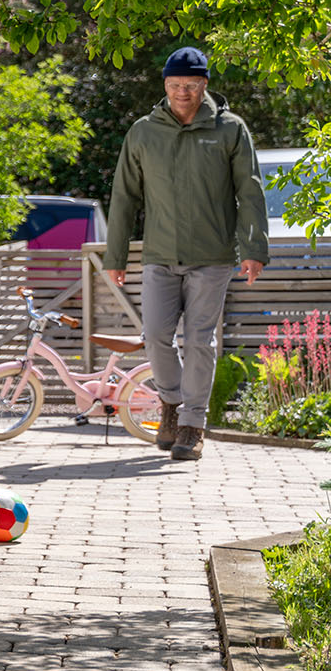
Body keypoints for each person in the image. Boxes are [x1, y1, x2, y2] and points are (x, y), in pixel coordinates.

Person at [101, 45, 268, 461]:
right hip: (160, 254)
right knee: (156, 335)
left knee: (198, 341)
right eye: (175, 85)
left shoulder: (229, 129)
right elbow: (124, 197)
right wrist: (116, 256)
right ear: (165, 85)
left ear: (204, 84)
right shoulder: (143, 132)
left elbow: (250, 192)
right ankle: (171, 405)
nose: (182, 92)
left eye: (191, 85)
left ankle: (193, 424)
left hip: (212, 257)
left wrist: (254, 249)